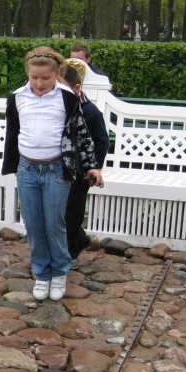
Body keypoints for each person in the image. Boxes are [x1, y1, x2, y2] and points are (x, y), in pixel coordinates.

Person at [1, 47, 103, 302]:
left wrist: (93, 165)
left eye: (45, 78)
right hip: (27, 169)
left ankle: (59, 272)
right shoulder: (17, 97)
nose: (39, 83)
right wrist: (13, 166)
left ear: (57, 74)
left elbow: (81, 133)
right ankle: (42, 274)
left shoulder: (67, 98)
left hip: (57, 169)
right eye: (34, 77)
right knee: (34, 225)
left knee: (55, 224)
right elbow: (12, 133)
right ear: (28, 73)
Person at [61, 58, 109, 269]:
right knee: (61, 213)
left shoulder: (90, 112)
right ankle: (80, 240)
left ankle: (71, 253)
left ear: (76, 88)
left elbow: (102, 141)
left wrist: (94, 167)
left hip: (81, 173)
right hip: (62, 170)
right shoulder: (62, 109)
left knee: (72, 212)